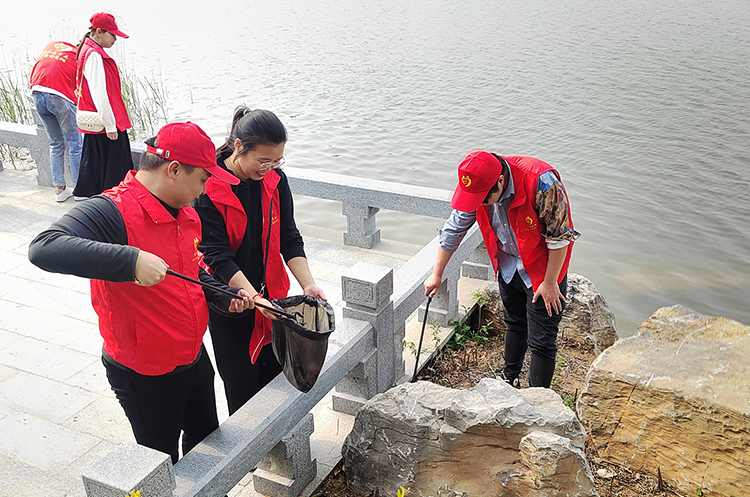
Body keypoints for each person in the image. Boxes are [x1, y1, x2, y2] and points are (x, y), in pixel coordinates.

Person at [28, 121, 251, 463]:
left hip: (192, 357)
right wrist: (131, 261)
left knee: (207, 444)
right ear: (173, 169)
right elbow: (44, 247)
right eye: (203, 179)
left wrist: (223, 294)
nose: (204, 190)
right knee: (160, 464)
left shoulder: (186, 213)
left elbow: (189, 271)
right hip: (144, 373)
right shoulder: (112, 210)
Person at [194, 107, 327, 415]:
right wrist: (254, 298)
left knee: (277, 377)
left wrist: (308, 284)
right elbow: (218, 258)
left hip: (274, 299)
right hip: (233, 301)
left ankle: (282, 439)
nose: (269, 168)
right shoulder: (207, 187)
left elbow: (289, 236)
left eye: (277, 161)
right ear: (239, 146)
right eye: (263, 160)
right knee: (242, 389)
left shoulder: (276, 181)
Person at [424, 151, 580, 389]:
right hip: (507, 265)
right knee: (514, 323)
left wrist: (550, 283)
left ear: (500, 181)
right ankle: (509, 380)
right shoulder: (477, 184)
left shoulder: (541, 180)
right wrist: (437, 274)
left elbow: (560, 235)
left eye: (483, 199)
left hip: (543, 270)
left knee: (542, 341)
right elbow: (453, 229)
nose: (479, 205)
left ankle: (538, 400)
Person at [73, 12, 134, 199]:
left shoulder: (87, 49)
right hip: (107, 119)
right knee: (117, 165)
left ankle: (91, 196)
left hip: (97, 118)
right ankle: (116, 199)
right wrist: (110, 124)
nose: (115, 39)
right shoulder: (94, 54)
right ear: (99, 32)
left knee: (96, 162)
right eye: (112, 34)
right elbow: (99, 91)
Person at [29, 41, 83, 202]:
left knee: (55, 143)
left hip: (37, 92)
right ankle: (80, 189)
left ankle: (59, 189)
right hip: (59, 96)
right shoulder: (80, 57)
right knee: (75, 143)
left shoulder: (53, 45)